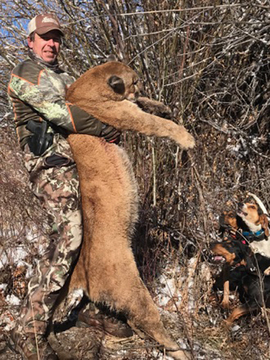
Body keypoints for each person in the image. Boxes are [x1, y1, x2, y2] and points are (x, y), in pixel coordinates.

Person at [7, 13, 130, 360]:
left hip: (79, 164)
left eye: (56, 37)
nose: (51, 43)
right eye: (44, 37)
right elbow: (61, 113)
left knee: (95, 234)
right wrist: (107, 129)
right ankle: (29, 330)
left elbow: (88, 103)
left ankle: (87, 305)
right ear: (30, 41)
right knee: (69, 236)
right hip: (51, 167)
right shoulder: (25, 74)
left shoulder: (62, 76)